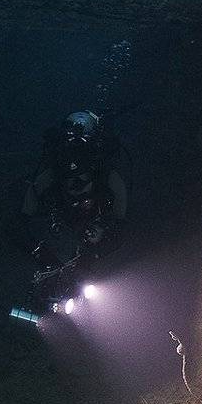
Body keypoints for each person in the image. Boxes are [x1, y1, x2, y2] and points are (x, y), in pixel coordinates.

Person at [19, 111, 127, 314]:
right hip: (60, 230)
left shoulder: (111, 180)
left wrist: (93, 253)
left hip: (88, 234)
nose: (76, 189)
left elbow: (122, 227)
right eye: (69, 179)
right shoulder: (46, 179)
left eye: (82, 180)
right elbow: (19, 223)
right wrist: (41, 254)